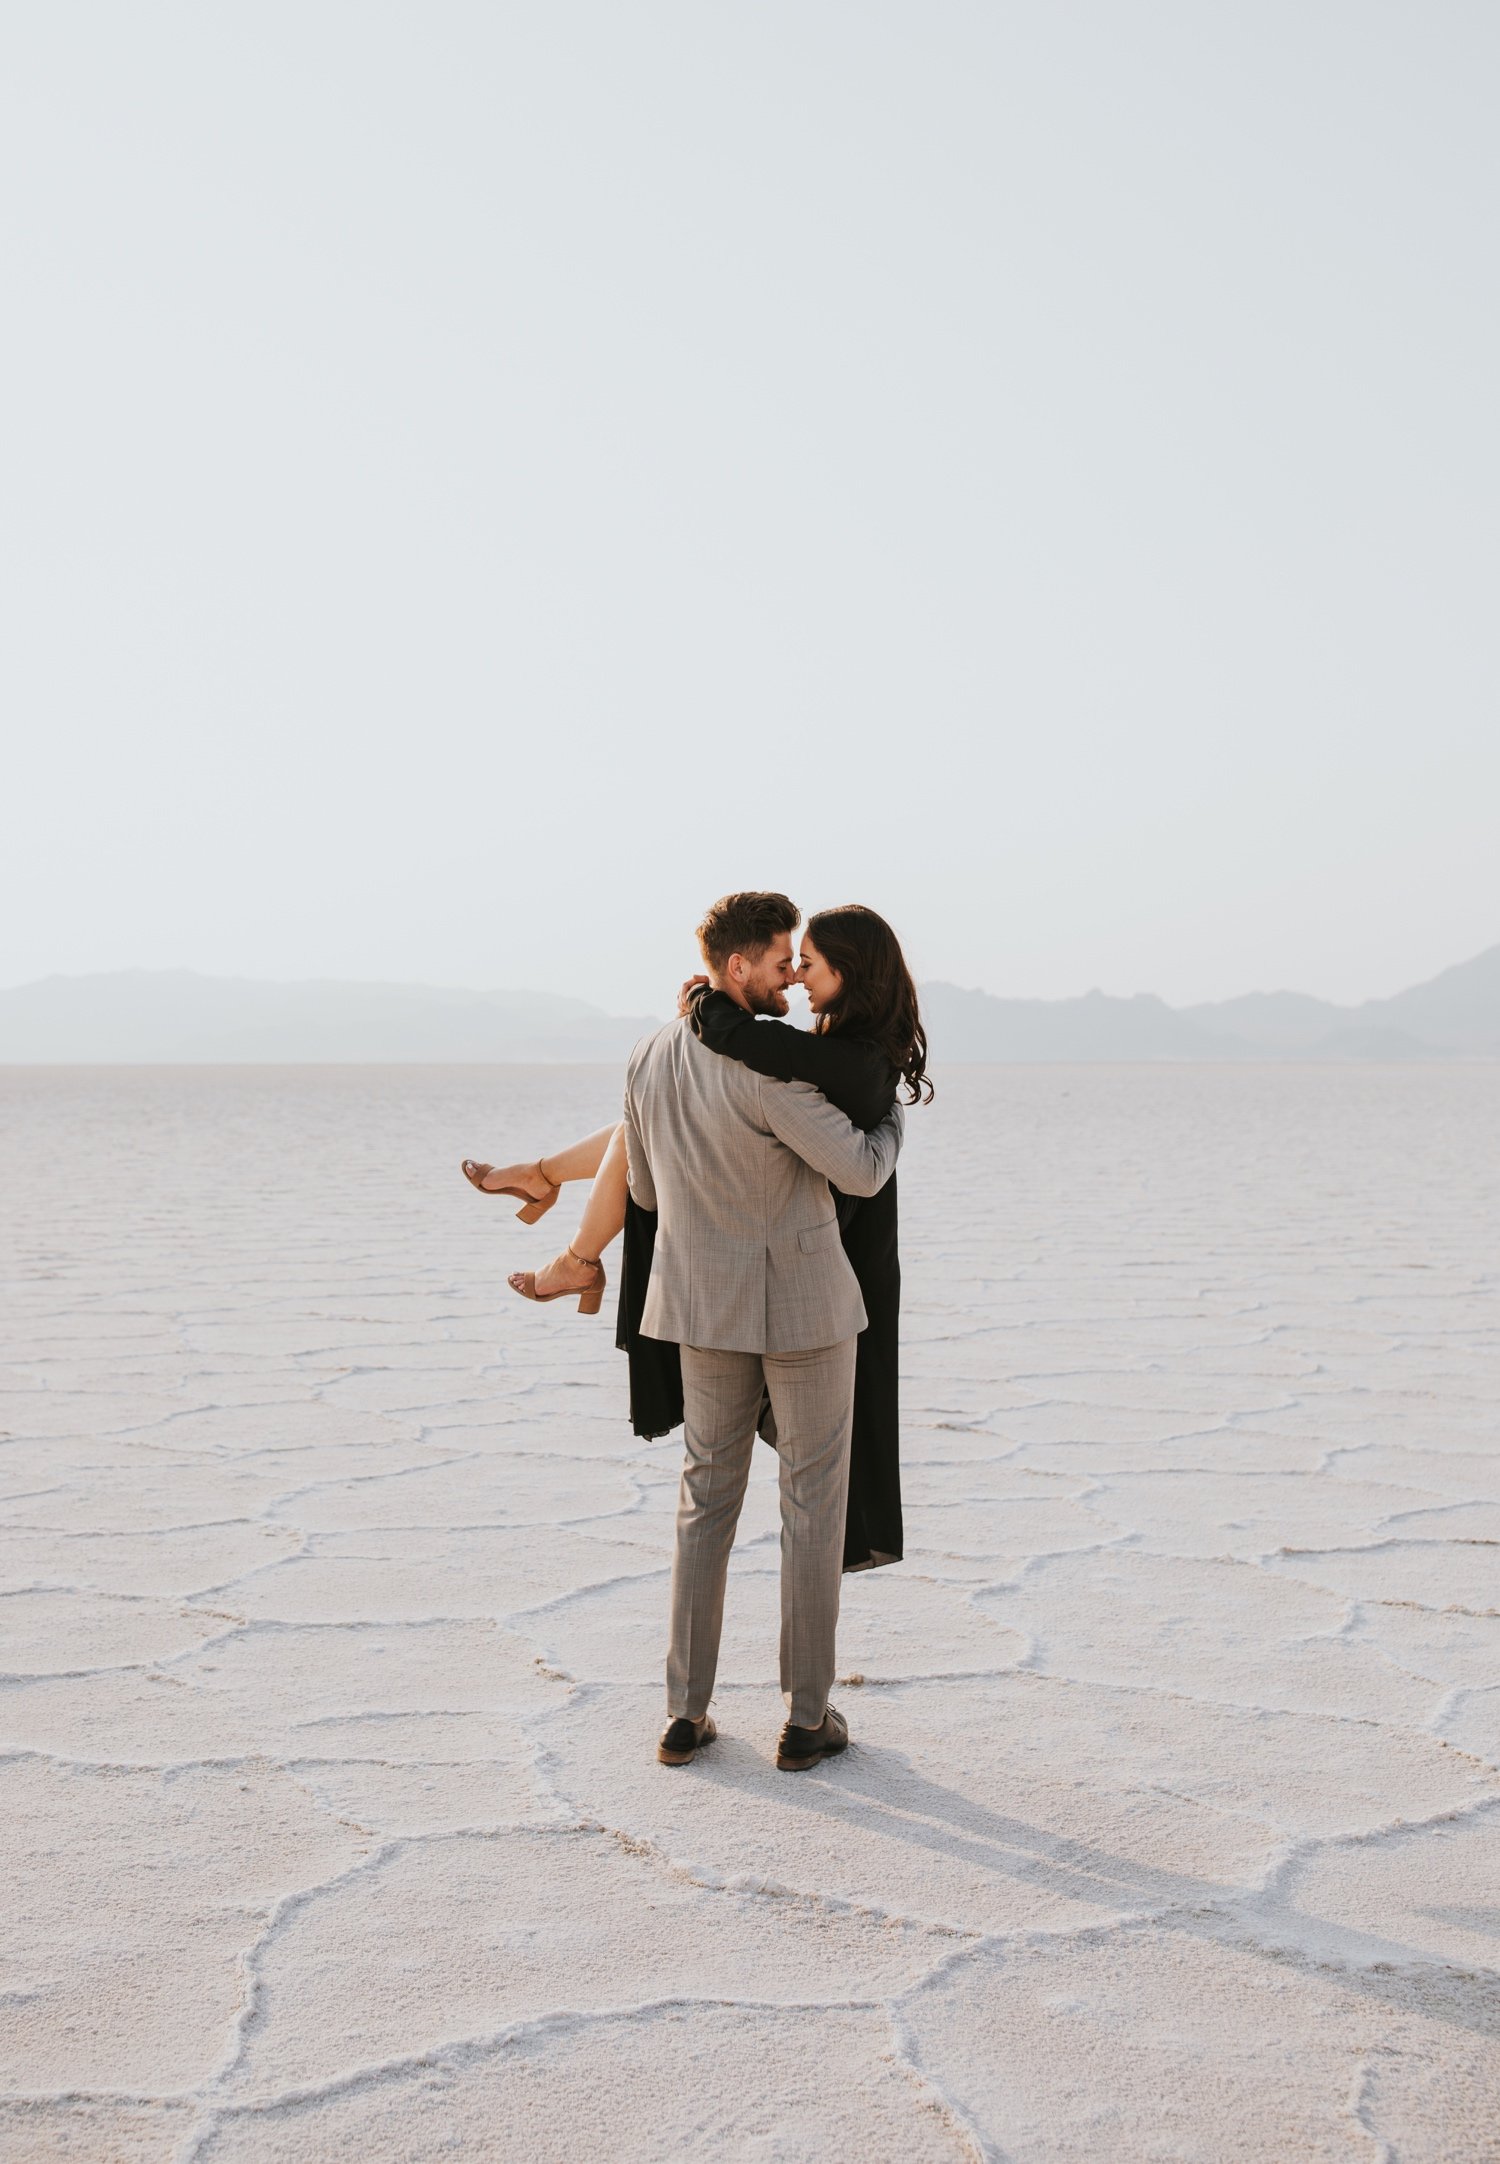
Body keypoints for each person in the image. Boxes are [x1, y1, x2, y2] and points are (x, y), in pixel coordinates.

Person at [460, 902, 931, 1575]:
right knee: (642, 1123)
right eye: (789, 961)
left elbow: (839, 1135)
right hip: (811, 1247)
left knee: (831, 1453)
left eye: (808, 963)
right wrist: (712, 1016)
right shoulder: (840, 1041)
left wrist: (712, 1013)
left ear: (849, 973)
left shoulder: (850, 1057)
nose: (796, 977)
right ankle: (549, 1195)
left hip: (842, 1260)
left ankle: (566, 1230)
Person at [624, 891, 903, 1770]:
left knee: (704, 1504)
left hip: (699, 1309)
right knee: (812, 1506)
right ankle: (806, 1718)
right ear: (737, 967)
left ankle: (683, 1711)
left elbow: (641, 1192)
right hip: (806, 1312)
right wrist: (893, 1115)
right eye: (782, 960)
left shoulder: (645, 1059)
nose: (791, 975)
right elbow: (858, 1171)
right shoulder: (773, 1074)